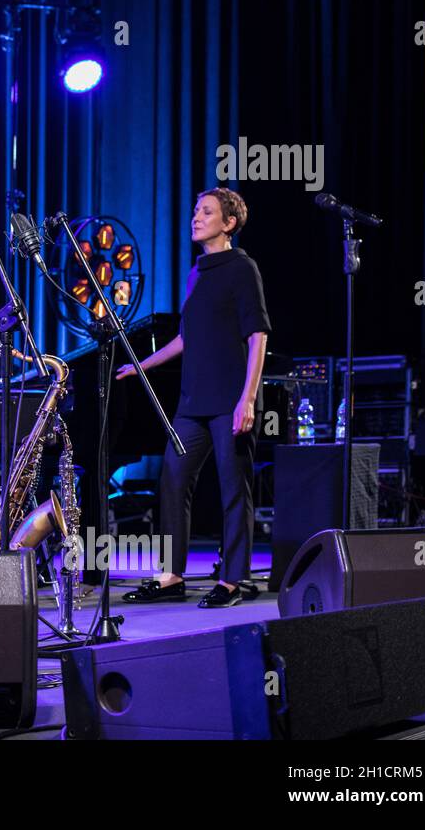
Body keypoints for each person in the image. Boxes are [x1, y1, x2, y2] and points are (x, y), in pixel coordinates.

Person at [118, 187, 269, 608]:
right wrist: (141, 365)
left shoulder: (242, 268)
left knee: (232, 487)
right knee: (173, 479)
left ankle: (233, 580)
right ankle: (171, 576)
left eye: (207, 212)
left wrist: (248, 399)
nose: (195, 217)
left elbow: (257, 334)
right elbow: (186, 337)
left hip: (229, 399)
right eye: (196, 210)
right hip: (192, 402)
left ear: (229, 223)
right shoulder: (197, 272)